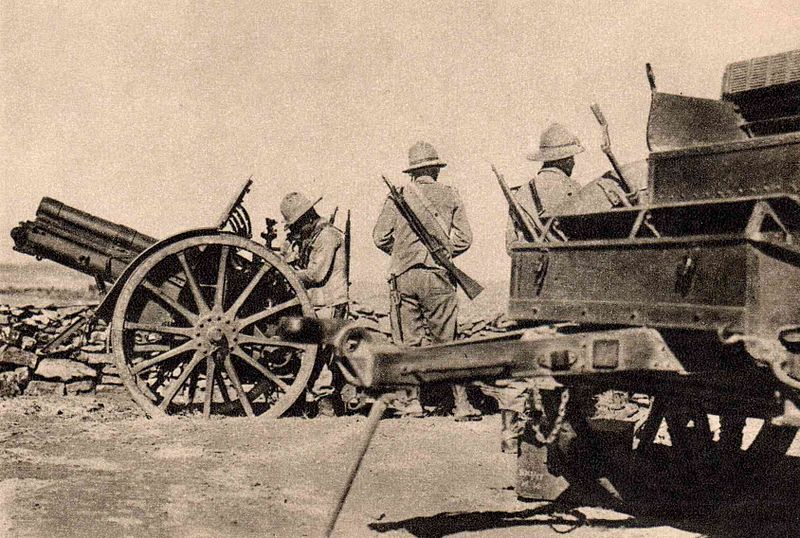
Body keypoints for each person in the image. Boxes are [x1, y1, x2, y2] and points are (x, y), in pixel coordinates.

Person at [373, 141, 481, 420]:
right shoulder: (450, 195)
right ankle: (461, 405)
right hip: (437, 276)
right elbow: (465, 239)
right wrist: (443, 253)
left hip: (404, 277)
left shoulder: (398, 197)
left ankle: (413, 404)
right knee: (449, 341)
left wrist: (403, 253)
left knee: (409, 342)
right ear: (435, 169)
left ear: (412, 172)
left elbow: (379, 238)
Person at [279, 192, 348, 417]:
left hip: (328, 302)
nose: (295, 231)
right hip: (316, 302)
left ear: (308, 218)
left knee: (322, 355)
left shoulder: (327, 236)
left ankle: (326, 406)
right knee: (314, 353)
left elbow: (317, 274)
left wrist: (284, 271)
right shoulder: (312, 237)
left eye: (297, 226)